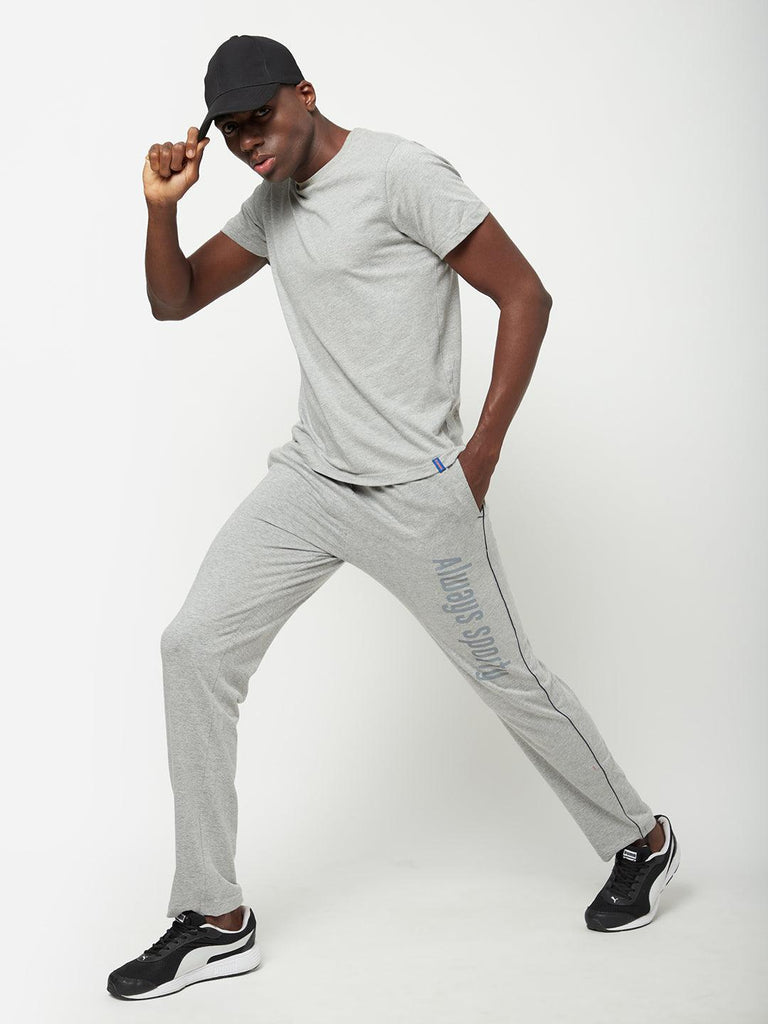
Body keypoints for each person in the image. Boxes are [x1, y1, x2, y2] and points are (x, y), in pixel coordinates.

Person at [107, 34, 680, 1002]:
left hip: (419, 496)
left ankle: (643, 837)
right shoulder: (271, 203)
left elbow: (524, 295)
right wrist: (161, 210)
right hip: (311, 482)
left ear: (305, 94)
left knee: (507, 675)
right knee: (193, 647)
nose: (249, 143)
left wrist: (478, 458)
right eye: (232, 131)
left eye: (261, 119)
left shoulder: (401, 173)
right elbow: (178, 299)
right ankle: (213, 916)